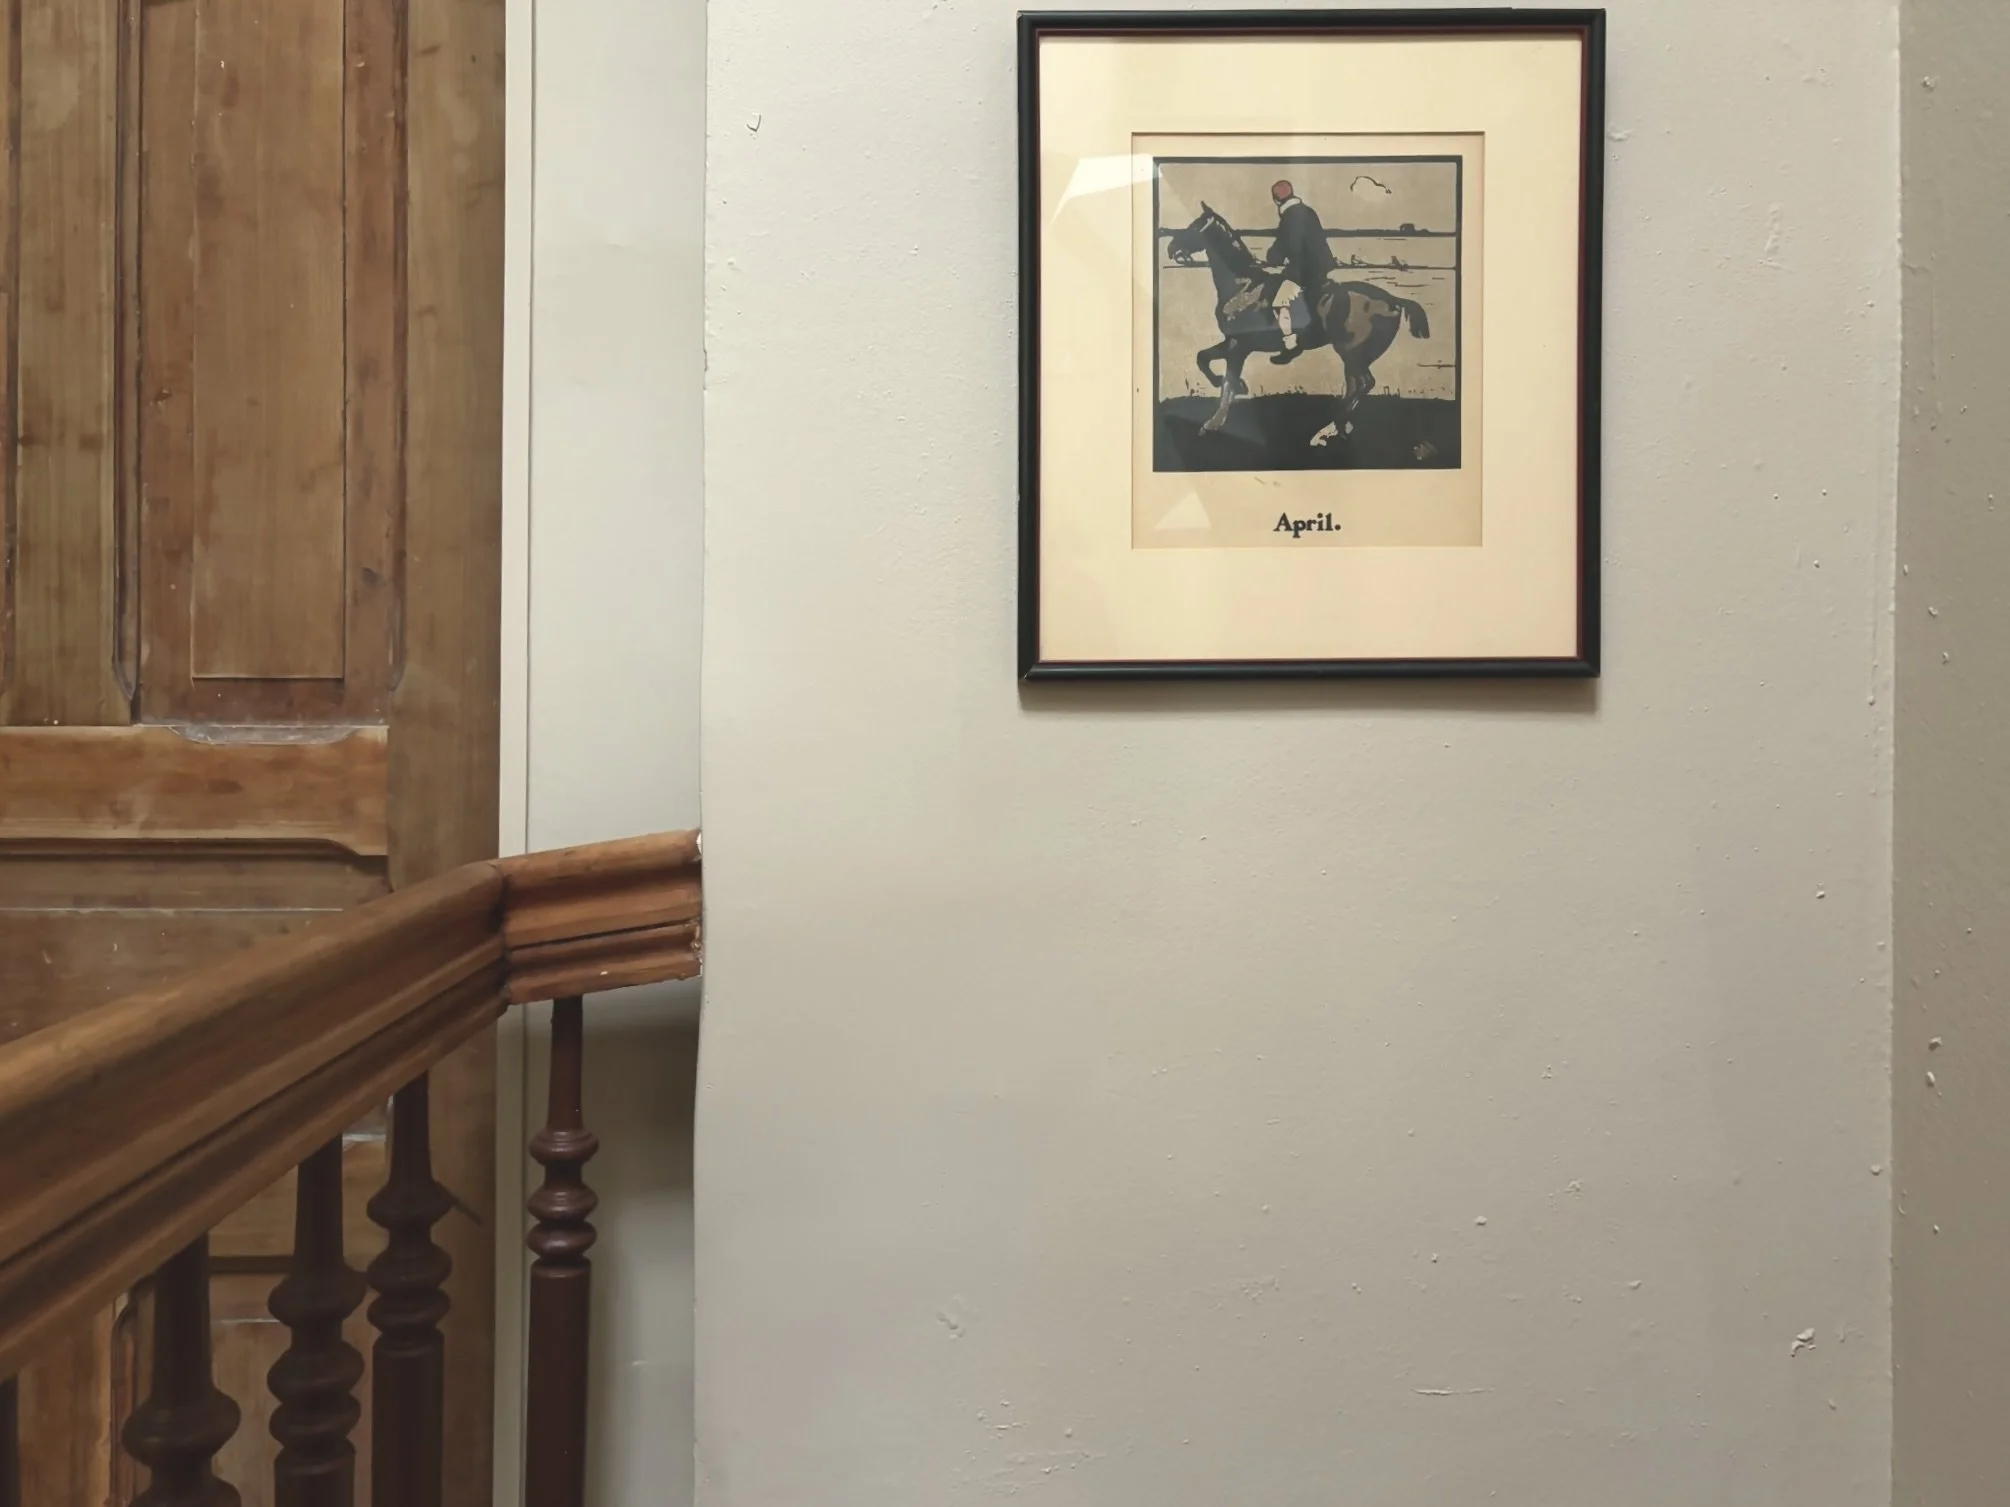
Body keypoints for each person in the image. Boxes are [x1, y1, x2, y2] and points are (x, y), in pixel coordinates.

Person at [1263, 179, 1339, 364]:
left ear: (1276, 200)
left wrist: (1272, 259)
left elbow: (1282, 247)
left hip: (1304, 270)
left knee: (1280, 303)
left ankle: (1291, 346)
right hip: (1321, 266)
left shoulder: (1289, 216)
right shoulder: (1308, 211)